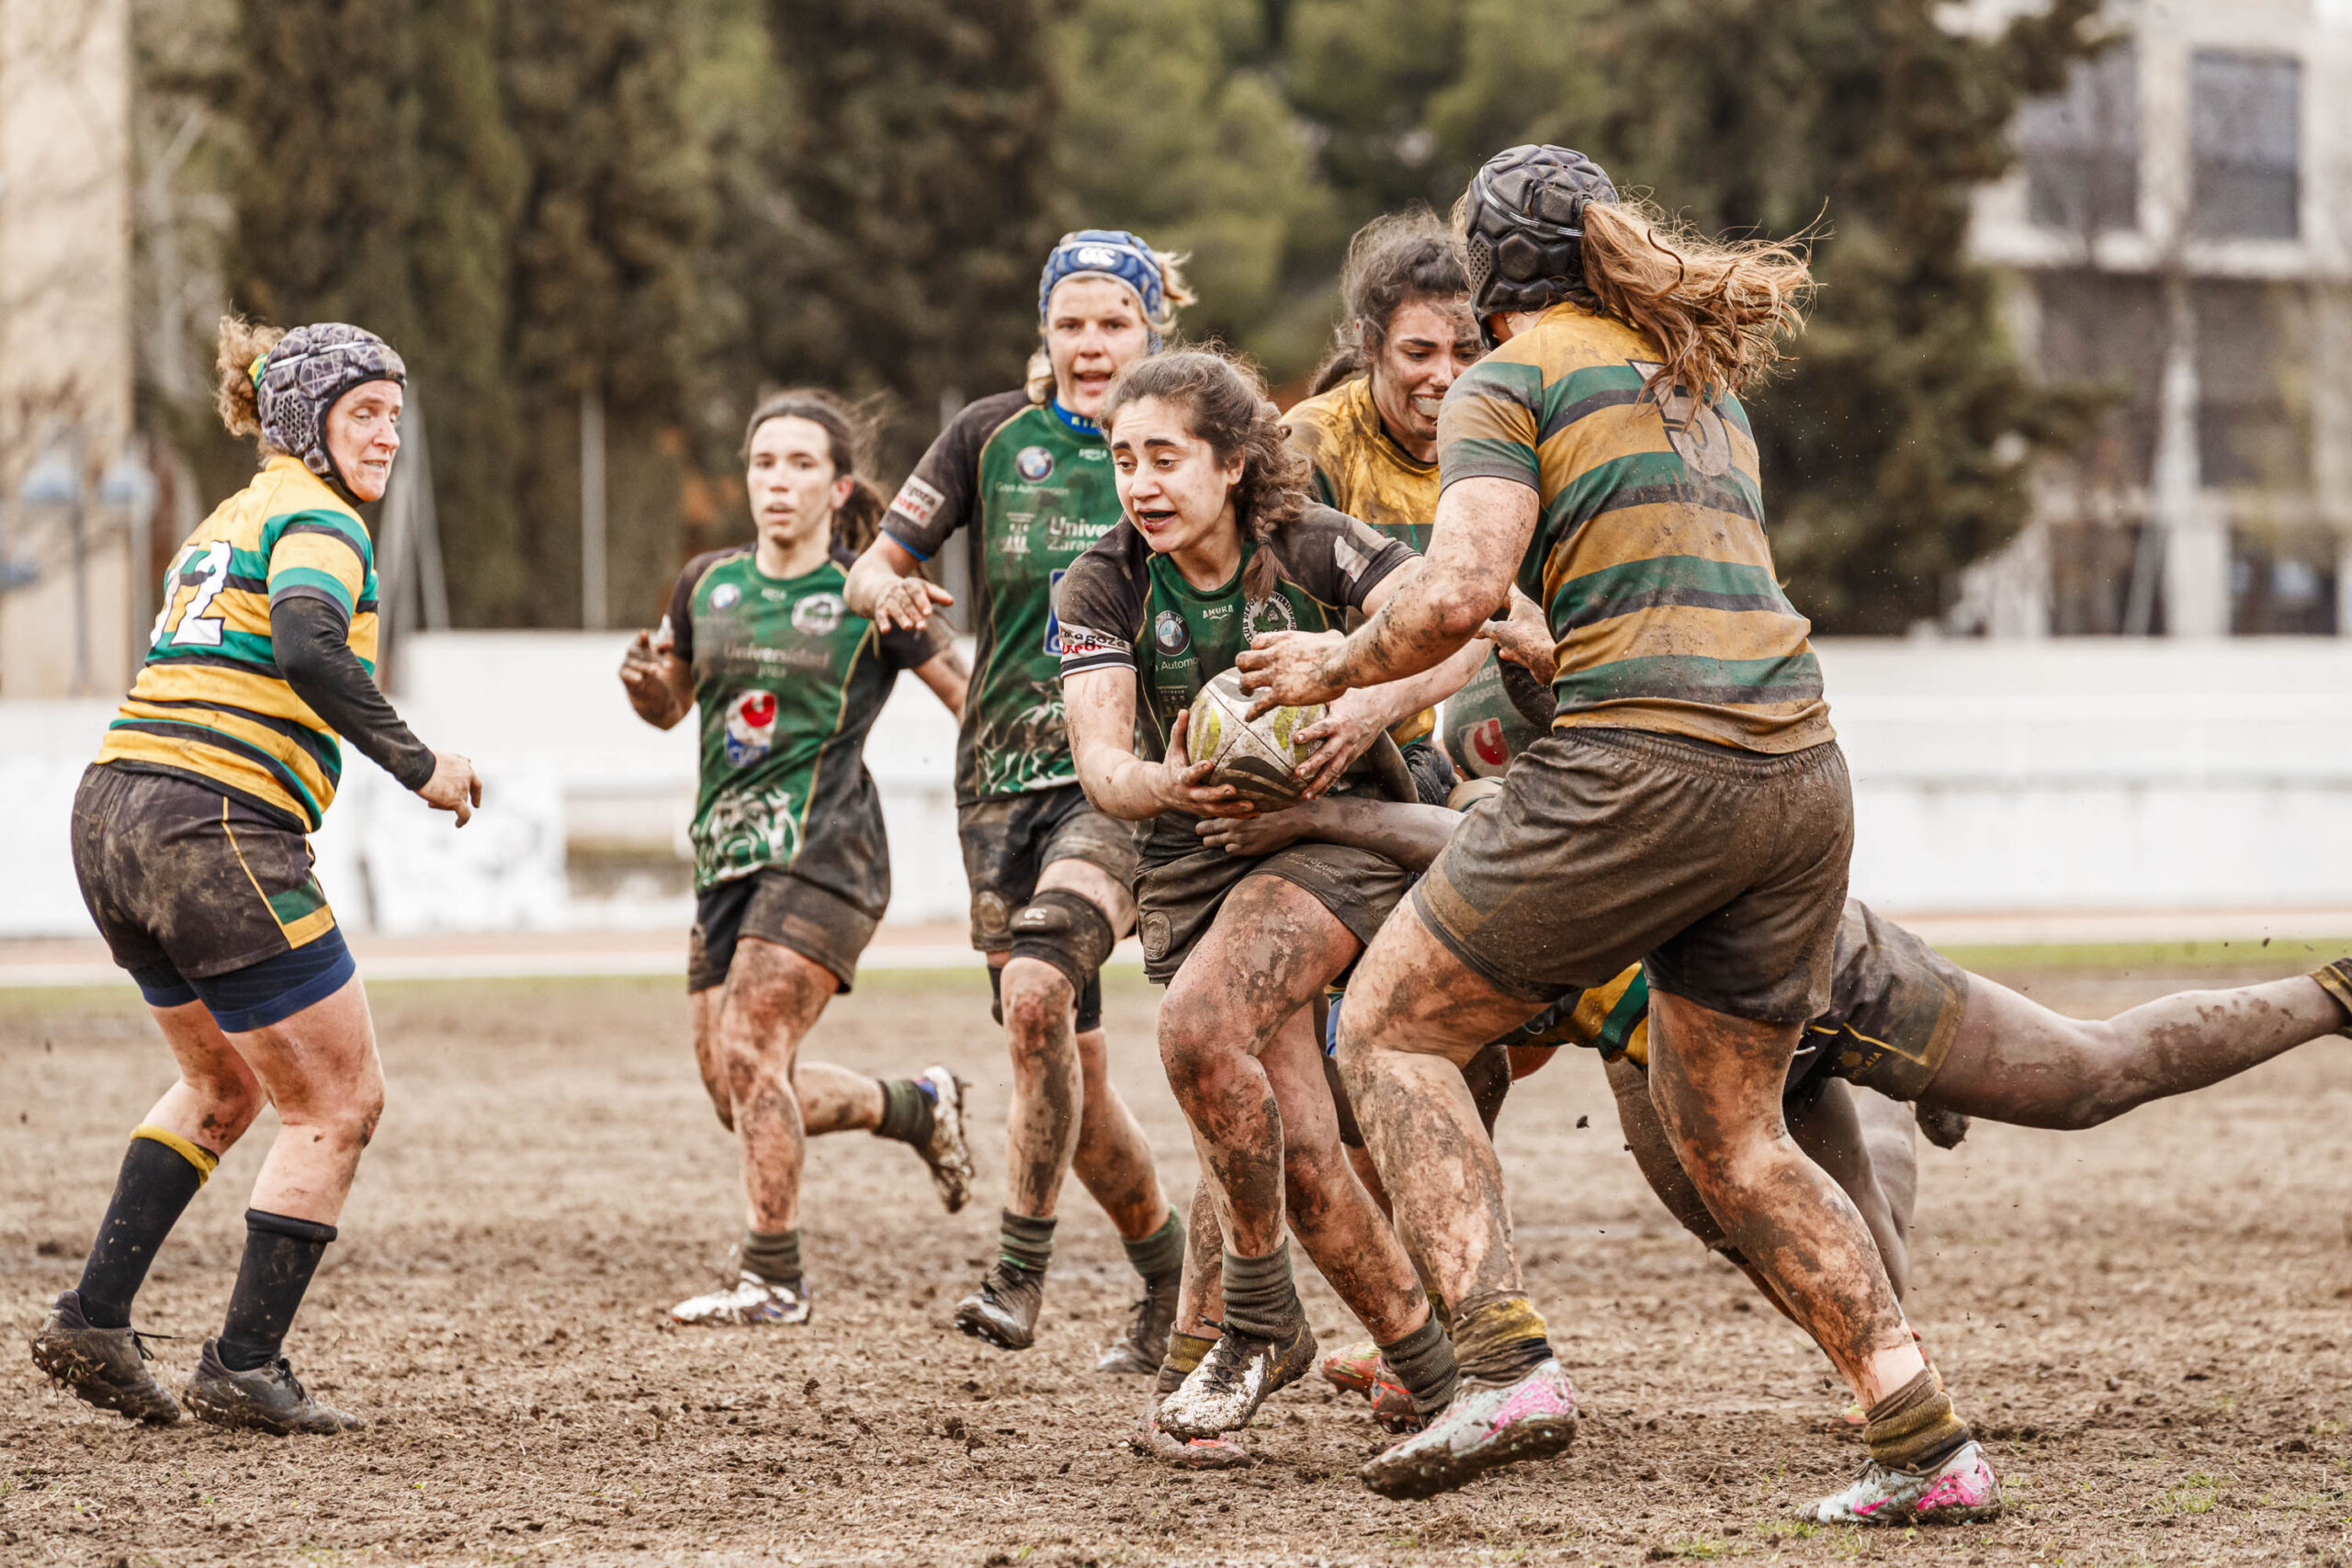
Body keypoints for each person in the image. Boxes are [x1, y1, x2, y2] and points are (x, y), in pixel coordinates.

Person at [1238, 144, 1984, 1520]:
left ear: (1492, 269)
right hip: (1803, 776)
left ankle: (1503, 1361)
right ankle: (1925, 1435)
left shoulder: (1504, 381)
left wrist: (1324, 669)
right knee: (1731, 1134)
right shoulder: (1693, 387)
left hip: (1646, 764)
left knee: (1392, 1026)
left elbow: (1460, 591)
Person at [31, 317, 480, 1435]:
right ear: (304, 421)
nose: (387, 434)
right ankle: (243, 1362)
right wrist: (419, 763)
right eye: (363, 411)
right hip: (211, 822)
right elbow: (306, 645)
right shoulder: (319, 517)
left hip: (114, 811)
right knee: (338, 1099)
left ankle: (92, 1316)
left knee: (225, 1087)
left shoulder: (230, 516)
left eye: (394, 411)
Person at [1056, 346, 1487, 1445]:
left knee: (1198, 1028)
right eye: (1122, 460)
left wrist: (1361, 700)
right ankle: (1431, 1376)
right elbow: (1104, 768)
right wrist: (1169, 781)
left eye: (1165, 458)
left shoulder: (1312, 547)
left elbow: (1453, 626)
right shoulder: (1101, 581)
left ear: (1235, 463)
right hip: (1201, 848)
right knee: (1299, 1151)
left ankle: (1254, 1315)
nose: (1141, 484)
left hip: (1334, 837)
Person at [842, 231, 1192, 1370]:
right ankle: (1165, 1275)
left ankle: (1017, 1269)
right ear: (1045, 334)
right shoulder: (988, 436)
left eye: (1114, 324)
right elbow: (869, 568)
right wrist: (892, 588)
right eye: (1072, 323)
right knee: (1071, 1073)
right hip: (995, 783)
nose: (1091, 345)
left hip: (1121, 782)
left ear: (1153, 331)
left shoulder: (1185, 445)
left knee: (1037, 1008)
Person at [619, 391, 976, 1326]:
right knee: (734, 1089)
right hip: (726, 854)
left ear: (838, 485)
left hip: (828, 853)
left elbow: (967, 695)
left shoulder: (872, 593)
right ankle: (915, 1105)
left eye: (800, 465)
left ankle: (772, 1276)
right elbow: (673, 704)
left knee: (751, 1048)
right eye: (763, 464)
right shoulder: (706, 583)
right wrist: (647, 688)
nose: (778, 482)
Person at [1283, 209, 1488, 806]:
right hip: (1313, 738)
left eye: (1466, 352)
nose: (1444, 376)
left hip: (1413, 742)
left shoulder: (1490, 444)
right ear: (1370, 343)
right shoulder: (1315, 445)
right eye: (1419, 352)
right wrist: (1357, 709)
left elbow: (1484, 622)